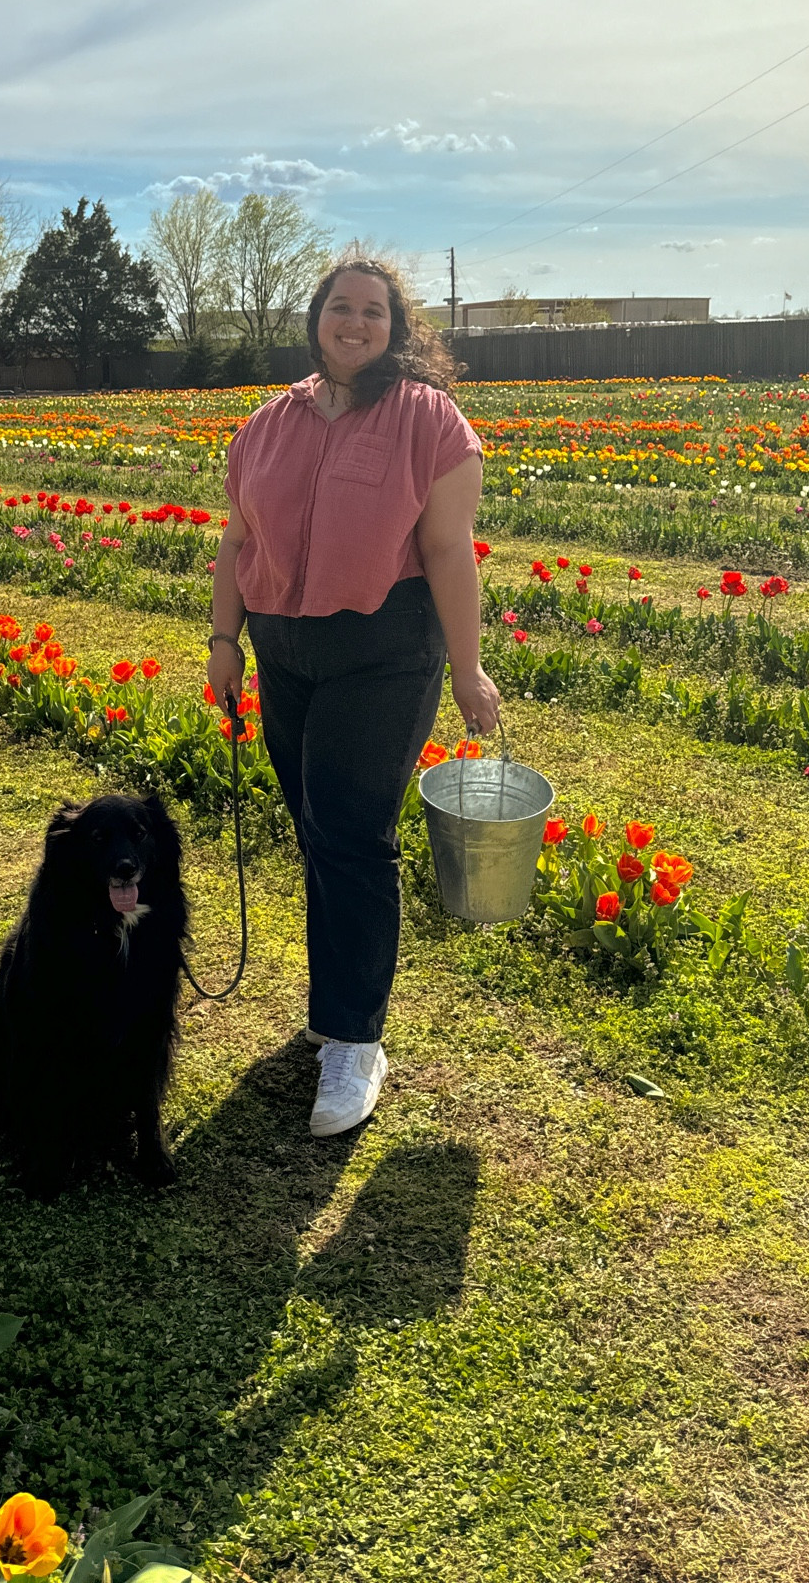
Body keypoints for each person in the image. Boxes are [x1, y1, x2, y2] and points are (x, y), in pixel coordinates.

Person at [206, 259, 500, 1138]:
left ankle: (354, 1040)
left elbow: (449, 552)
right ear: (316, 319)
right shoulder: (269, 422)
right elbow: (235, 539)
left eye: (374, 312)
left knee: (349, 833)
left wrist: (466, 665)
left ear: (395, 328)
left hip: (383, 651)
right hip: (282, 650)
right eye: (341, 307)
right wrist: (225, 642)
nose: (355, 323)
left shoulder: (428, 422)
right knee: (316, 829)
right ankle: (337, 1005)